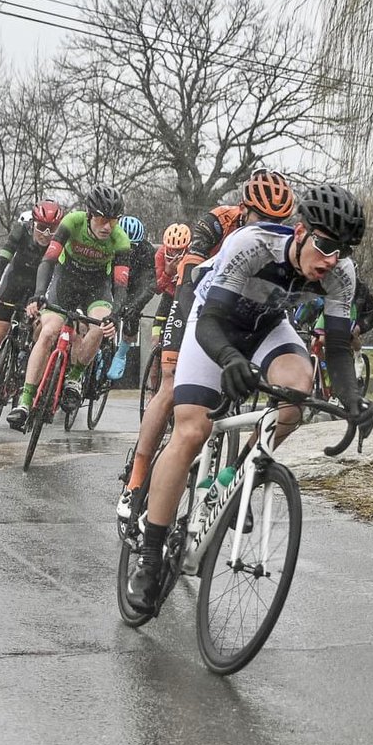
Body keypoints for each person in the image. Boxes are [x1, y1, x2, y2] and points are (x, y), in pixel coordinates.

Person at [125, 183, 373, 614]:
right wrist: (228, 360)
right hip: (212, 324)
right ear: (300, 231)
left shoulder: (340, 273)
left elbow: (336, 348)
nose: (333, 259)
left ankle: (233, 480)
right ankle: (148, 555)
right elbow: (209, 324)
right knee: (192, 429)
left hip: (265, 327)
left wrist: (353, 401)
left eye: (345, 251)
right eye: (326, 245)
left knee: (298, 389)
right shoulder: (251, 245)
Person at [115, 169, 295, 519]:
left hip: (234, 310)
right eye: (262, 219)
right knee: (169, 385)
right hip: (190, 300)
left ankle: (228, 483)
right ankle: (135, 481)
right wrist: (197, 333)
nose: (270, 227)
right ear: (243, 210)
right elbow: (187, 281)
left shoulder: (279, 244)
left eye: (279, 221)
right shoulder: (218, 222)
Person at [6, 184, 130, 429]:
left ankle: (74, 378)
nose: (107, 226)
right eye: (103, 219)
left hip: (96, 287)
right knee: (49, 331)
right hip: (65, 281)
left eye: (114, 221)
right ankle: (25, 399)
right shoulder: (72, 223)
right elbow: (49, 260)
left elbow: (120, 285)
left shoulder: (120, 239)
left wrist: (115, 316)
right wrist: (39, 294)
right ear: (89, 214)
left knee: (98, 326)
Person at [0, 199, 63, 422]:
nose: (46, 234)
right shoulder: (21, 232)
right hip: (13, 285)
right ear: (32, 224)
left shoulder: (59, 243)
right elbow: (2, 261)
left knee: (40, 334)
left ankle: (29, 378)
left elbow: (56, 278)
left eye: (51, 230)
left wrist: (41, 300)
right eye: (41, 228)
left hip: (39, 290)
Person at [114, 215, 156, 355]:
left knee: (132, 315)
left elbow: (148, 284)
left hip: (133, 284)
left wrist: (135, 305)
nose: (128, 249)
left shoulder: (146, 250)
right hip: (112, 281)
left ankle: (122, 353)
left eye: (133, 246)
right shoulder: (108, 243)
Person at [150, 223, 192, 341]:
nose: (173, 253)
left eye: (178, 251)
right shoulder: (160, 254)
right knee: (155, 336)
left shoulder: (192, 254)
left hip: (185, 296)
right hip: (169, 295)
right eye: (170, 249)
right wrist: (167, 273)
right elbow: (157, 289)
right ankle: (154, 355)